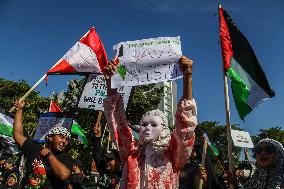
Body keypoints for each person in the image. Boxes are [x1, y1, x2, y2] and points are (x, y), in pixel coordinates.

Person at [103, 56, 197, 188]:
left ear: (164, 128)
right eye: (144, 124)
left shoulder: (174, 154)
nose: (147, 128)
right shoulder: (132, 153)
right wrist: (111, 83)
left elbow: (185, 127)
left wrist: (188, 77)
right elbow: (119, 124)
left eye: (154, 124)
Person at [13, 99, 73, 189]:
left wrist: (49, 155)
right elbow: (18, 135)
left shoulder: (66, 158)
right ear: (50, 137)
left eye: (67, 139)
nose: (64, 141)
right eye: (61, 137)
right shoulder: (35, 149)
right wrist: (19, 111)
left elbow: (63, 175)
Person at [92, 124, 121, 189]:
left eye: (110, 159)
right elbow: (97, 153)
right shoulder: (103, 169)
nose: (107, 161)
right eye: (107, 159)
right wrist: (97, 136)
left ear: (117, 161)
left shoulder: (123, 175)